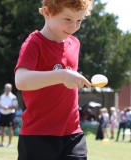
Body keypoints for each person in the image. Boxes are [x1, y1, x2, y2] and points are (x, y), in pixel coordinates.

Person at [14, 0, 93, 160]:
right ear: (47, 12)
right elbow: (21, 80)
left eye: (79, 20)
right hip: (38, 135)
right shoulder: (34, 43)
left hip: (73, 133)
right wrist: (62, 75)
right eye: (68, 19)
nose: (74, 27)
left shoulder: (74, 44)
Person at [0, 83, 18, 147]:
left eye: (8, 88)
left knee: (10, 128)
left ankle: (9, 143)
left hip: (10, 114)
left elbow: (16, 106)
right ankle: (2, 142)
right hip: (2, 113)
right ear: (4, 89)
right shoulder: (1, 96)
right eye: (6, 88)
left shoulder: (13, 97)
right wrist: (2, 107)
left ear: (11, 89)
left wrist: (8, 107)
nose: (7, 89)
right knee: (2, 128)